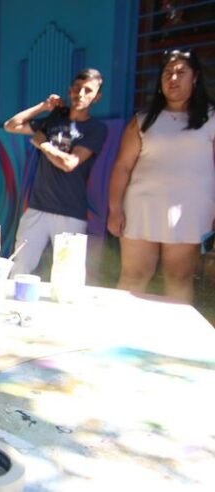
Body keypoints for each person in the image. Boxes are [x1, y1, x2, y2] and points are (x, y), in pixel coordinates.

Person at [108, 49, 215, 303]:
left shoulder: (211, 118)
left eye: (181, 72)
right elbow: (122, 167)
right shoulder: (142, 120)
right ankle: (116, 333)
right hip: (141, 207)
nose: (173, 78)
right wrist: (114, 209)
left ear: (195, 77)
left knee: (178, 278)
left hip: (190, 211)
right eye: (168, 73)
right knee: (134, 275)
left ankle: (173, 341)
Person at [3, 68, 108, 275]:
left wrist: (43, 144)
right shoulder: (54, 120)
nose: (81, 94)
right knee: (20, 267)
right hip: (38, 207)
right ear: (70, 91)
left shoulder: (96, 128)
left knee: (67, 274)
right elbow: (11, 125)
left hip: (70, 211)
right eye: (77, 88)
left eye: (88, 90)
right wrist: (44, 106)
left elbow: (69, 163)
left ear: (97, 97)